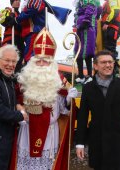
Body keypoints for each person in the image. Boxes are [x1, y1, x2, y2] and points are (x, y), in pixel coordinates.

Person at [16, 27, 78, 170]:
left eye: (46, 61)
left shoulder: (59, 82)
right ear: (32, 62)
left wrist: (69, 99)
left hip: (50, 133)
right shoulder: (23, 81)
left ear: (52, 63)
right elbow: (16, 103)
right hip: (27, 131)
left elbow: (64, 111)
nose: (42, 64)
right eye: (39, 60)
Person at [76, 50, 120, 170]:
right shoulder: (88, 88)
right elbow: (82, 117)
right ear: (95, 65)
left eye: (110, 62)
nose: (108, 65)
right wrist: (80, 143)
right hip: (97, 141)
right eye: (104, 62)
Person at [73, 0, 102, 84]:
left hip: (88, 26)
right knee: (78, 51)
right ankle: (81, 75)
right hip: (80, 27)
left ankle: (89, 75)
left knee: (87, 51)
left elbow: (92, 8)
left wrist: (86, 20)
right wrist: (76, 22)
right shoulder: (79, 2)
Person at [0, 0, 24, 72]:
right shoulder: (8, 10)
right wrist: (11, 17)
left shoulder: (21, 15)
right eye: (16, 0)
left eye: (19, 1)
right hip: (10, 39)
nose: (18, 2)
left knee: (19, 61)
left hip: (20, 40)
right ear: (12, 2)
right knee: (9, 59)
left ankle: (16, 79)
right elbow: (2, 21)